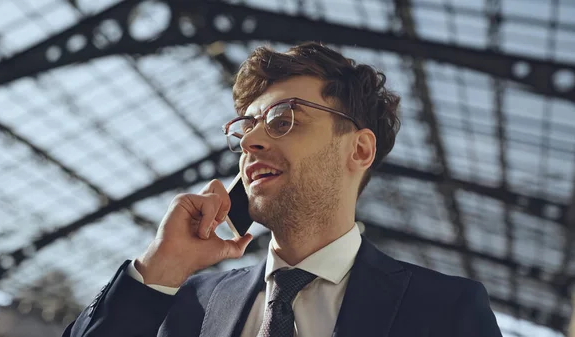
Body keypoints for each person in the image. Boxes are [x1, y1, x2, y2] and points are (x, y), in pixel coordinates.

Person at [63, 42, 502, 337]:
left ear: (360, 149)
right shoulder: (192, 303)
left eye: (282, 119)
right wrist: (158, 269)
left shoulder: (446, 310)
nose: (251, 141)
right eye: (246, 127)